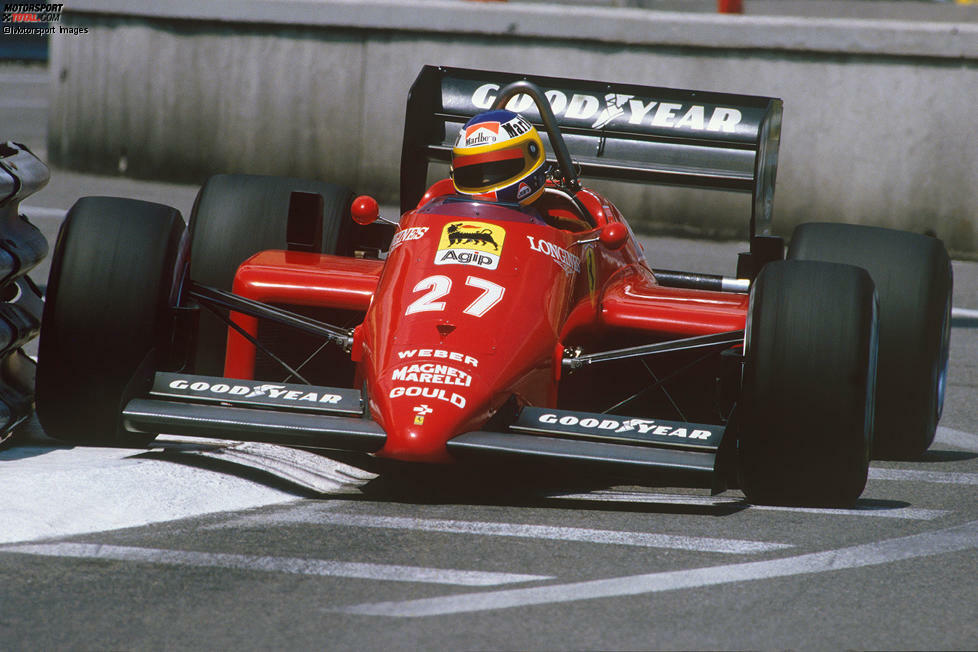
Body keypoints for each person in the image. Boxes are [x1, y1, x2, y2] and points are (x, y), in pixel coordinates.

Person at [450, 110, 592, 231]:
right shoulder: (442, 215)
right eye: (472, 174)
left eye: (496, 170)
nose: (484, 181)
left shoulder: (570, 231)